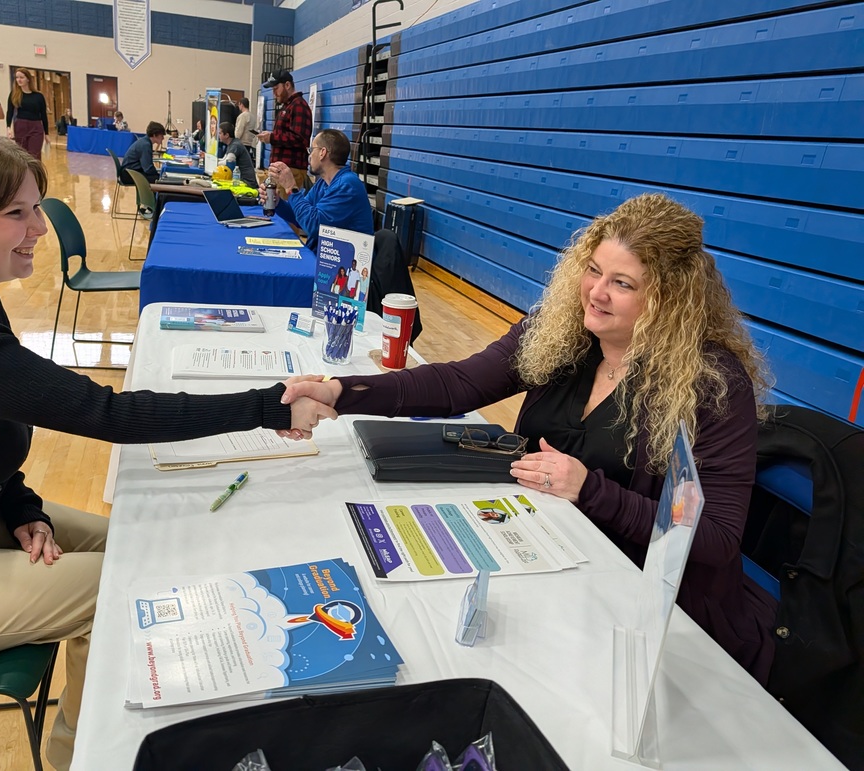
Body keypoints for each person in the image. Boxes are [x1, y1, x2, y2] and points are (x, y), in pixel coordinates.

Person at [0, 121, 335, 770]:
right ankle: (81, 754)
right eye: (16, 214)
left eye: (35, 208)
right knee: (127, 585)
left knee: (143, 541)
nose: (38, 228)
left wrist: (22, 508)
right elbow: (106, 412)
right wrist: (271, 404)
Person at [281, 193, 778, 684]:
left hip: (637, 614)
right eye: (593, 270)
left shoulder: (712, 383)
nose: (596, 292)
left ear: (668, 300)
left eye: (621, 283)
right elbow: (458, 383)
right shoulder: (566, 333)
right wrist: (339, 391)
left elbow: (713, 539)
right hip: (541, 553)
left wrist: (591, 490)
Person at [263, 128, 374, 251]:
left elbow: (314, 226)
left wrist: (291, 188)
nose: (309, 156)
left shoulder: (347, 185)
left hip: (343, 264)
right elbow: (301, 217)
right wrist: (277, 202)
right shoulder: (324, 183)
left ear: (322, 153)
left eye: (311, 150)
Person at [257, 70, 312, 195]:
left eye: (276, 88)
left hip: (291, 171)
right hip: (283, 170)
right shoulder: (288, 106)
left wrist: (272, 137)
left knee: (283, 209)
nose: (274, 93)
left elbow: (299, 138)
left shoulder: (299, 106)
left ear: (287, 85)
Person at [6, 68, 49, 160]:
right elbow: (9, 112)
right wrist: (8, 127)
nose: (19, 80)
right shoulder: (14, 94)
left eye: (22, 77)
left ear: (28, 79)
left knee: (34, 155)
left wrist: (47, 133)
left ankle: (35, 174)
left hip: (36, 127)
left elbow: (43, 115)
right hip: (20, 126)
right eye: (17, 77)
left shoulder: (38, 96)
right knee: (22, 155)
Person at [120, 120, 165, 185]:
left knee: (158, 177)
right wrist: (159, 174)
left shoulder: (145, 141)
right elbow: (148, 168)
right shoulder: (145, 145)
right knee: (159, 180)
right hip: (128, 175)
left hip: (130, 172)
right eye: (162, 136)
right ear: (154, 135)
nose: (163, 138)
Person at [217, 121, 257, 187]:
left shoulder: (235, 145)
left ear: (226, 135)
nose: (218, 135)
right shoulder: (232, 144)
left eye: (220, 133)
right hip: (241, 180)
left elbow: (228, 163)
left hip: (246, 182)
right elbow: (224, 159)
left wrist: (213, 163)